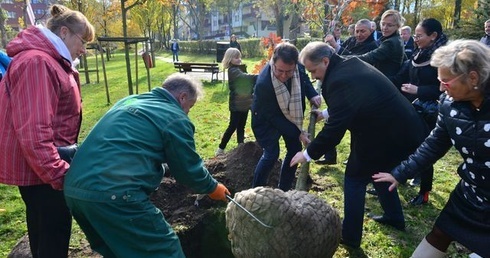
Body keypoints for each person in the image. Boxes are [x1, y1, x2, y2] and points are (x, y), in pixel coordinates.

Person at [64, 73, 230, 257]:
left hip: (75, 190)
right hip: (115, 194)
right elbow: (188, 170)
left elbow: (127, 144)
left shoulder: (130, 101)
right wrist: (213, 188)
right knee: (165, 251)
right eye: (190, 107)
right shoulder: (175, 117)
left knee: (117, 251)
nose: (187, 112)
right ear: (182, 97)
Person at [292, 42, 428, 249]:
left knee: (354, 178)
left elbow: (335, 130)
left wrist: (308, 154)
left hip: (387, 134)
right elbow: (356, 99)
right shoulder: (349, 65)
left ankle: (351, 235)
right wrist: (327, 113)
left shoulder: (339, 79)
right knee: (378, 172)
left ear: (326, 61)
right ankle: (394, 217)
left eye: (313, 70)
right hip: (399, 129)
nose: (313, 77)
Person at [373, 39, 490, 258]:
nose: (440, 88)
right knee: (439, 234)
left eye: (446, 82)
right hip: (471, 193)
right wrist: (400, 173)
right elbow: (434, 144)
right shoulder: (449, 105)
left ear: (473, 78)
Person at [0, 4, 95, 258]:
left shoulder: (47, 60)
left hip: (42, 168)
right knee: (52, 237)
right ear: (64, 32)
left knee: (45, 235)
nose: (84, 50)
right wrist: (60, 175)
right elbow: (34, 132)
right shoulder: (39, 63)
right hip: (43, 172)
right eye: (82, 41)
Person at [390, 18, 447, 205]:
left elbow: (443, 88)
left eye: (419, 35)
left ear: (433, 36)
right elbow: (402, 75)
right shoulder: (420, 52)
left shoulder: (442, 58)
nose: (415, 38)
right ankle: (401, 177)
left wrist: (418, 91)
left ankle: (424, 192)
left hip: (432, 110)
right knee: (405, 143)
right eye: (415, 35)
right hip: (414, 107)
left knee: (424, 147)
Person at [251, 42, 321, 191]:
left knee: (295, 150)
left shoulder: (298, 67)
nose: (283, 75)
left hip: (291, 114)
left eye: (288, 72)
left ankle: (284, 189)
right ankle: (255, 190)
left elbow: (304, 80)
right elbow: (274, 117)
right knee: (271, 154)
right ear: (273, 62)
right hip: (266, 119)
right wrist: (298, 133)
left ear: (295, 65)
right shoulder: (264, 83)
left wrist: (312, 94)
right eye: (280, 70)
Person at [215, 48, 258, 156]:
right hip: (236, 104)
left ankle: (240, 146)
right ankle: (221, 148)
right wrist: (259, 76)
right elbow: (245, 78)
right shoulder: (233, 71)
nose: (239, 59)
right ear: (230, 59)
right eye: (236, 57)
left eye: (239, 57)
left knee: (241, 126)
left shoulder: (238, 69)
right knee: (233, 126)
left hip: (244, 102)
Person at [355, 10, 406, 78]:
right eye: (383, 24)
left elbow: (369, 57)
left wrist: (345, 59)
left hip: (385, 82)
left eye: (389, 25)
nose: (385, 28)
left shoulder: (391, 42)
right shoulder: (396, 39)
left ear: (398, 26)